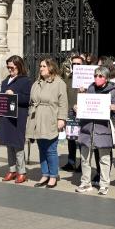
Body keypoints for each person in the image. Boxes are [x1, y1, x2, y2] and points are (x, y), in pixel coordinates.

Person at [75, 66, 115, 196]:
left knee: (104, 158)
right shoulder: (90, 88)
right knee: (84, 158)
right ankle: (85, 182)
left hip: (103, 128)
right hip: (87, 127)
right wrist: (77, 107)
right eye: (95, 76)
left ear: (106, 78)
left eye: (100, 76)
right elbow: (83, 105)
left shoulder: (113, 91)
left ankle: (104, 184)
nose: (97, 78)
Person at [26, 58, 68, 188]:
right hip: (36, 119)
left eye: (44, 66)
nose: (41, 68)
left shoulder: (59, 83)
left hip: (50, 117)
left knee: (51, 149)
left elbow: (63, 103)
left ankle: (53, 175)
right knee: (41, 149)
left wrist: (62, 118)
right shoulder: (36, 83)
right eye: (40, 66)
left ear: (51, 67)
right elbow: (32, 100)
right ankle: (45, 174)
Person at [0, 55, 32, 183]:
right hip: (7, 116)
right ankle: (12, 170)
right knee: (9, 144)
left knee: (18, 145)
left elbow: (27, 99)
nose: (10, 70)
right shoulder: (4, 81)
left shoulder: (25, 81)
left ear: (19, 66)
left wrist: (14, 95)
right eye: (8, 67)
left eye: (12, 67)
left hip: (19, 117)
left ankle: (22, 172)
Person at [61, 55, 84, 172]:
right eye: (74, 64)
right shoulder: (68, 78)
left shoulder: (88, 79)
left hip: (83, 112)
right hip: (70, 111)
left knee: (81, 139)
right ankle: (71, 162)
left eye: (78, 64)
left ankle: (82, 164)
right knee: (71, 138)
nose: (76, 66)